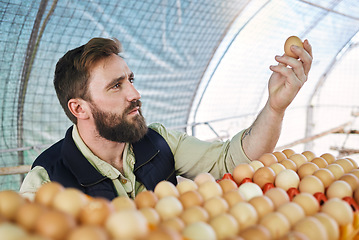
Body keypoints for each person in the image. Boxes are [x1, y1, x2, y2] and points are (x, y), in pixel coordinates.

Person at [19, 37, 312, 200]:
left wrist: (275, 108)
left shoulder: (159, 142)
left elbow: (235, 160)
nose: (135, 93)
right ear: (79, 108)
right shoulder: (47, 183)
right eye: (116, 85)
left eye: (130, 79)